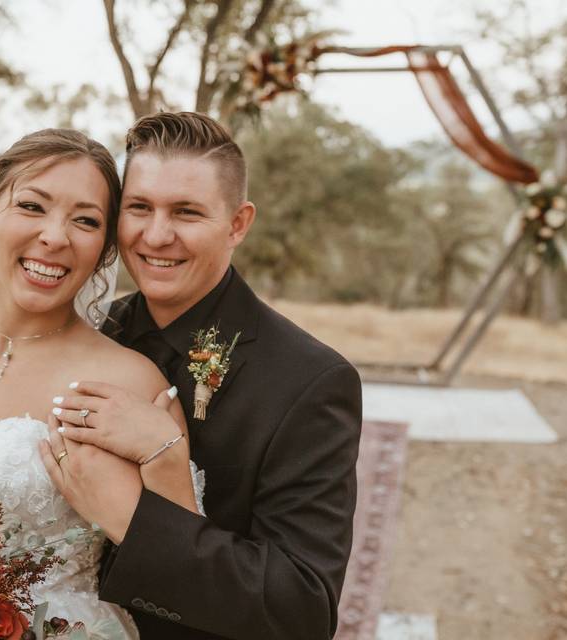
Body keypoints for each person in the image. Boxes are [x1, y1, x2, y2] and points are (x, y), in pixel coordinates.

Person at [42, 112, 363, 640]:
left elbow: (303, 610)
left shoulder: (311, 381)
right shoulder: (91, 333)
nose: (157, 234)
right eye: (139, 208)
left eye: (186, 212)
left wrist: (133, 518)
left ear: (238, 224)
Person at [0, 128, 203, 639]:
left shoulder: (130, 381)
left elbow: (183, 570)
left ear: (104, 250)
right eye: (32, 206)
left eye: (86, 221)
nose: (55, 236)